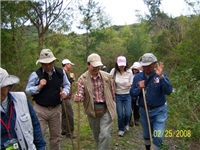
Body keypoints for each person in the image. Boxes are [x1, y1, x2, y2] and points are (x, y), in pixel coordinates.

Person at [25, 49, 71, 150]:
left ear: (54, 62)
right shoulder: (36, 75)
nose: (48, 66)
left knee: (56, 137)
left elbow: (67, 85)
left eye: (50, 63)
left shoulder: (60, 73)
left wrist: (65, 92)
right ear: (41, 63)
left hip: (56, 108)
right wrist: (38, 87)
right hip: (40, 109)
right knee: (38, 135)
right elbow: (28, 90)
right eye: (45, 64)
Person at [130, 53, 172, 150]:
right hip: (144, 111)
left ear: (154, 64)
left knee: (157, 135)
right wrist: (139, 88)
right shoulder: (138, 77)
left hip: (159, 111)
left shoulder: (161, 76)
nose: (146, 68)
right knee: (146, 135)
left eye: (149, 65)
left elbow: (169, 91)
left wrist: (161, 77)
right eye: (144, 65)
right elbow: (132, 93)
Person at [74, 53, 116, 150]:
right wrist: (78, 97)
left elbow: (112, 92)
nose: (97, 68)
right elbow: (80, 94)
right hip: (92, 111)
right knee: (97, 136)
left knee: (105, 135)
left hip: (106, 109)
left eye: (98, 66)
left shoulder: (107, 77)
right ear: (88, 65)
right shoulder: (82, 79)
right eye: (94, 66)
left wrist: (113, 104)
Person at [0, 67, 46, 150]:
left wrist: (40, 147)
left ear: (8, 86)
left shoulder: (22, 99)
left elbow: (35, 124)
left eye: (1, 88)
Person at [110, 56, 133, 137]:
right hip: (118, 95)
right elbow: (109, 79)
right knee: (120, 114)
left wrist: (130, 84)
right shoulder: (114, 71)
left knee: (127, 113)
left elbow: (132, 81)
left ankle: (126, 123)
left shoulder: (129, 71)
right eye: (120, 65)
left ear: (126, 64)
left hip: (127, 94)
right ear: (117, 64)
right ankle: (121, 129)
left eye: (123, 65)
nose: (121, 66)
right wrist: (112, 82)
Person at [61, 59, 76, 139]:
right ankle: (70, 132)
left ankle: (64, 130)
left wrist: (71, 80)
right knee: (69, 114)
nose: (71, 66)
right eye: (70, 64)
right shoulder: (63, 73)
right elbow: (64, 85)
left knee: (64, 114)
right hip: (64, 97)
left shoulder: (64, 73)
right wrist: (70, 79)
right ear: (66, 64)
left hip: (65, 96)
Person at [129, 62, 142, 127]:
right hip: (130, 93)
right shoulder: (130, 74)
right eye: (134, 69)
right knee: (130, 107)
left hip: (137, 93)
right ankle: (129, 120)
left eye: (136, 69)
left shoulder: (140, 76)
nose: (134, 70)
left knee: (137, 107)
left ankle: (136, 119)